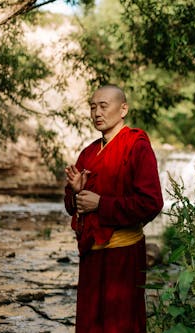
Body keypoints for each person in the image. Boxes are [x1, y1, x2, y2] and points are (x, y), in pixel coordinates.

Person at [63, 84, 163, 333]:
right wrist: (76, 193)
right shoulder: (88, 152)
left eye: (103, 106)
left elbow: (151, 202)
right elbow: (71, 205)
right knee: (90, 324)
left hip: (124, 253)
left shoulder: (136, 146)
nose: (97, 112)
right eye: (93, 107)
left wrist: (102, 204)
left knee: (121, 325)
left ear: (123, 109)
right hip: (91, 254)